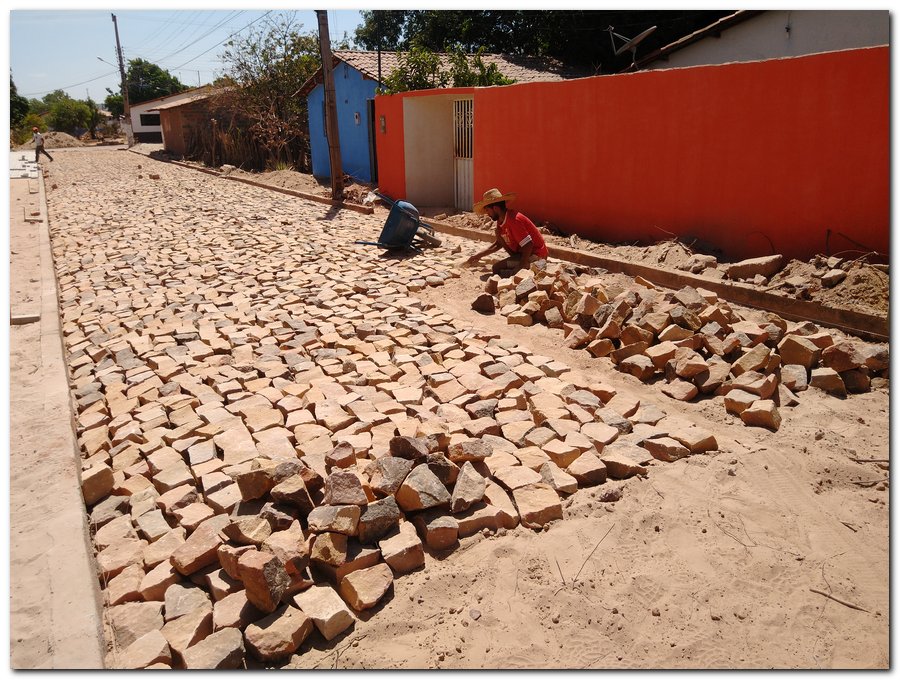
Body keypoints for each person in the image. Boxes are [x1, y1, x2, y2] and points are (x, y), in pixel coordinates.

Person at [466, 188, 548, 275]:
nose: (487, 214)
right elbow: (498, 244)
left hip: (536, 255)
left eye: (488, 210)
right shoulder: (500, 220)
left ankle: (524, 270)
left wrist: (520, 267)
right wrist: (477, 256)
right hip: (523, 254)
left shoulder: (514, 220)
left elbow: (528, 245)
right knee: (497, 266)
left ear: (495, 208)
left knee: (497, 268)